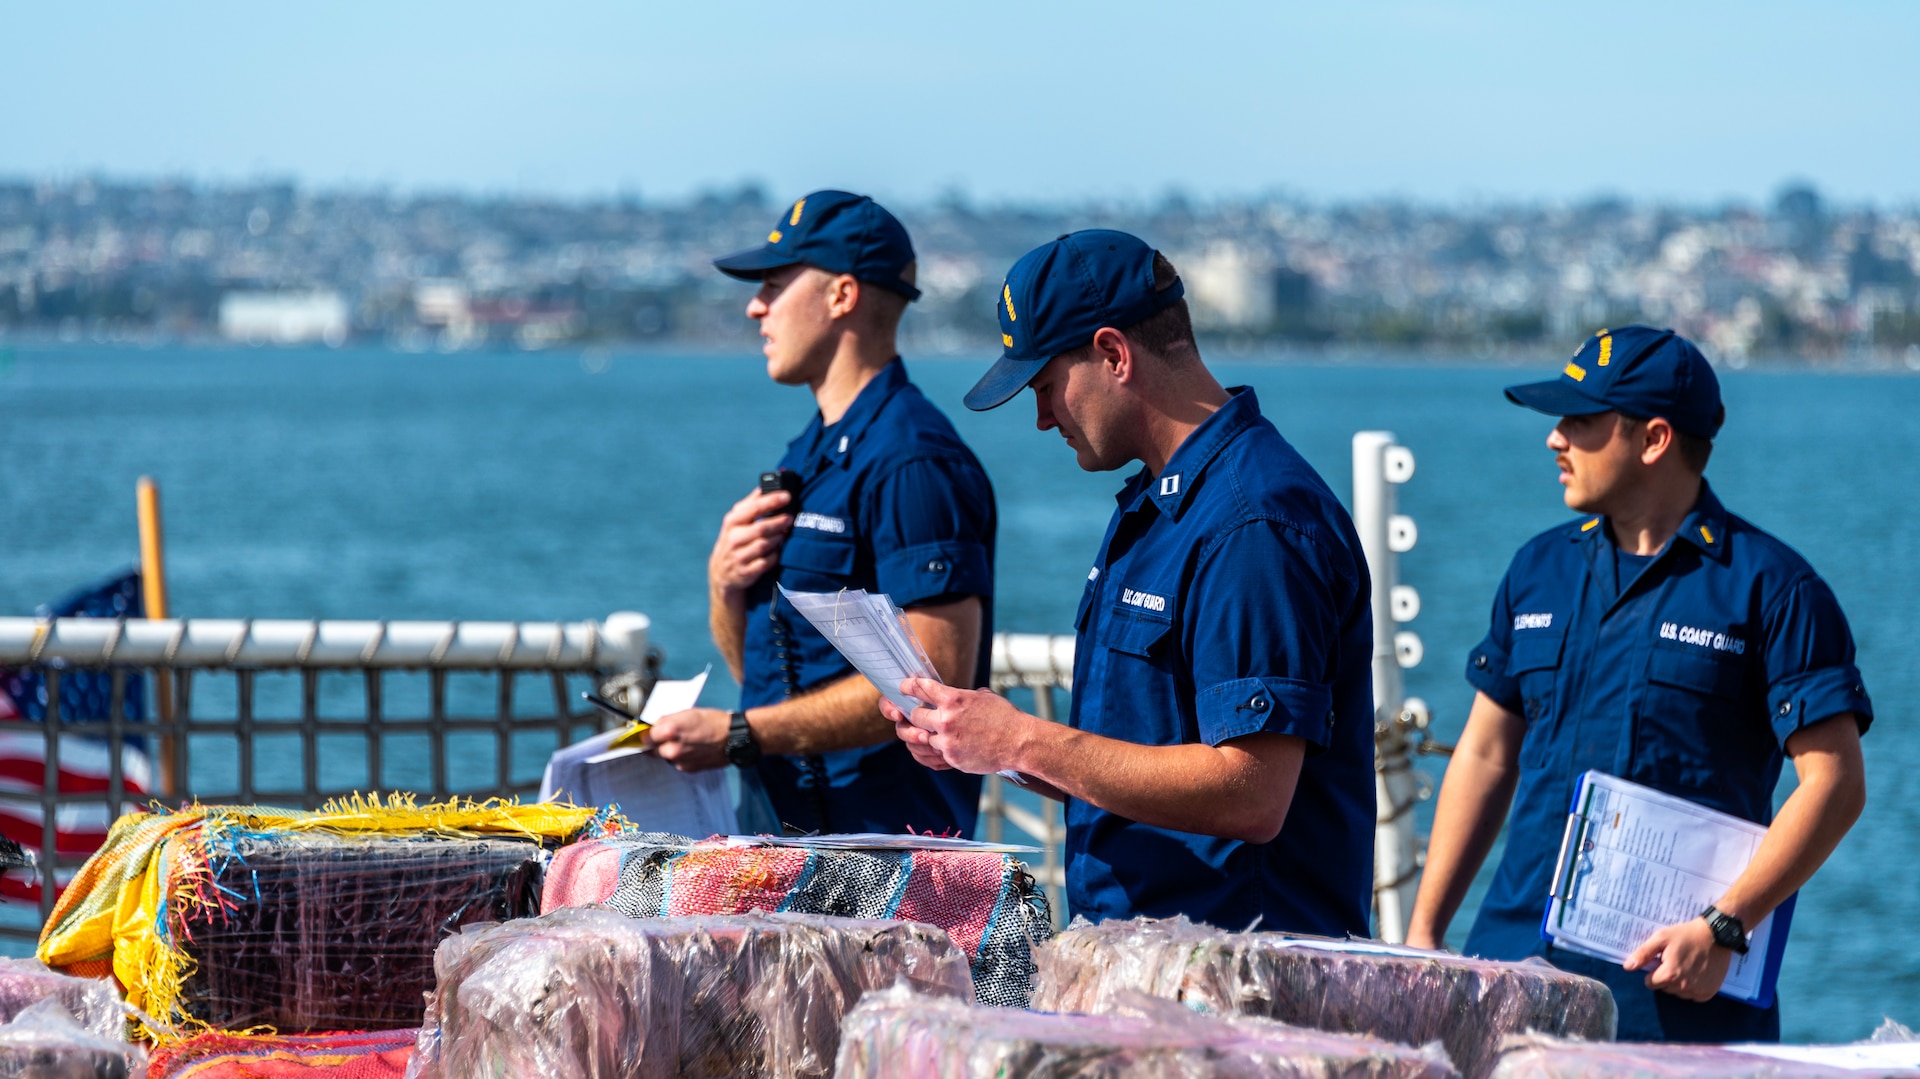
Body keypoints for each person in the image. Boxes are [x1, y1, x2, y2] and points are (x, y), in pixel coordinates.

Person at [882, 230, 1376, 935]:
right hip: (1153, 965)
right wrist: (982, 740)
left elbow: (1251, 792)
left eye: (1048, 385)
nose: (1042, 416)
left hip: (1241, 988)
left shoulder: (1252, 523)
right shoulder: (1163, 508)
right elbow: (1137, 760)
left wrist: (1024, 740)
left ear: (1114, 355)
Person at [1404, 326, 1871, 1043]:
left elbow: (1835, 782)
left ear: (1653, 438)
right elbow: (1487, 753)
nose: (1554, 439)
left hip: (1674, 999)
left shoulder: (1773, 591)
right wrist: (1425, 932)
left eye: (1580, 422)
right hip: (1511, 977)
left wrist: (1725, 925)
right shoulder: (1538, 570)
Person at [645, 190, 997, 836]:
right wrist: (723, 585)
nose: (756, 307)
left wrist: (739, 734)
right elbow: (772, 676)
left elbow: (934, 679)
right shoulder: (809, 454)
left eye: (774, 286)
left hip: (887, 864)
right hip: (790, 841)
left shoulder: (914, 460)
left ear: (840, 296)